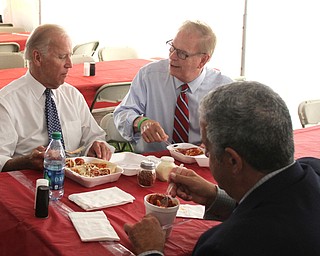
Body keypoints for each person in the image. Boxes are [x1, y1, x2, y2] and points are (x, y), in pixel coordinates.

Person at [124, 81, 320, 256]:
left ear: (233, 161)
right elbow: (271, 206)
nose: (207, 156)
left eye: (207, 151)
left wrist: (150, 250)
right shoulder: (312, 169)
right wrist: (214, 197)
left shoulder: (226, 245)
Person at [0, 24, 114, 172]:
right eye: (62, 57)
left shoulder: (71, 95)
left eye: (70, 56)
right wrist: (26, 161)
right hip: (31, 184)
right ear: (37, 57)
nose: (70, 64)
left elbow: (93, 136)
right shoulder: (7, 102)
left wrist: (96, 146)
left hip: (77, 180)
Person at [113, 20, 233, 153]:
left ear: (203, 60)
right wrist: (140, 122)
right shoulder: (150, 75)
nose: (172, 56)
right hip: (153, 161)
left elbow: (235, 132)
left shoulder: (223, 88)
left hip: (201, 162)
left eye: (182, 54)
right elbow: (122, 113)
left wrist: (216, 145)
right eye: (172, 48)